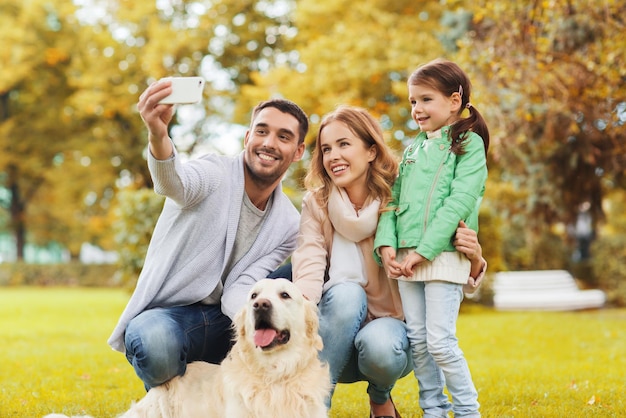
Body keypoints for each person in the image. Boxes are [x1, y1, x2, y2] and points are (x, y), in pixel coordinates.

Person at [107, 78, 307, 390]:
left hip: (224, 322)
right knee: (155, 343)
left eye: (284, 137)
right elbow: (174, 182)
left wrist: (260, 320)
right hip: (169, 317)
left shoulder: (287, 225)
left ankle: (267, 382)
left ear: (298, 152)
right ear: (247, 137)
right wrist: (158, 134)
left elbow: (244, 284)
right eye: (262, 131)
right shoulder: (214, 172)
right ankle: (176, 393)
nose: (269, 142)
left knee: (303, 271)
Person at [291, 105, 486, 418]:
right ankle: (314, 407)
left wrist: (474, 259)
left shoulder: (402, 192)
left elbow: (442, 259)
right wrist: (300, 308)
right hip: (334, 334)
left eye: (344, 144)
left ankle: (380, 397)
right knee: (346, 293)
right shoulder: (317, 202)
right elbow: (309, 258)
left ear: (370, 151)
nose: (333, 156)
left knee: (380, 346)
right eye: (326, 149)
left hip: (390, 335)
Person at [375, 59, 489, 417]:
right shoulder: (413, 149)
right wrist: (387, 246)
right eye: (412, 102)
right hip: (407, 259)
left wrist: (424, 251)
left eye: (426, 99)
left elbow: (459, 201)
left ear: (454, 100)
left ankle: (468, 410)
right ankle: (434, 410)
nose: (416, 109)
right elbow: (391, 202)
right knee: (420, 343)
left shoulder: (468, 145)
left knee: (440, 341)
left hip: (443, 256)